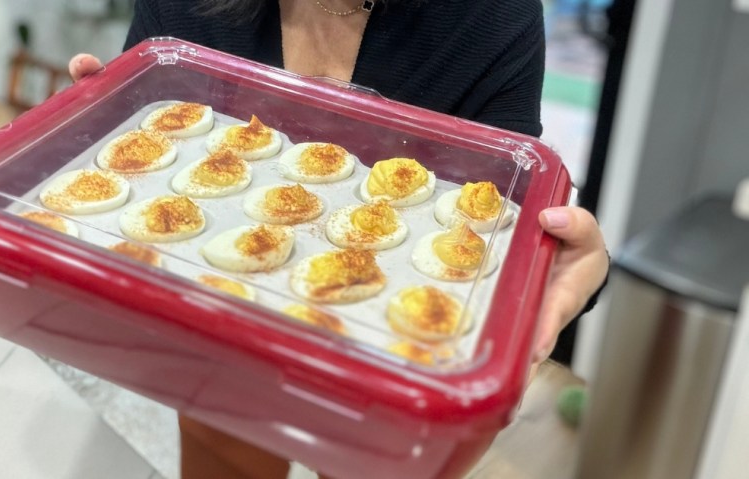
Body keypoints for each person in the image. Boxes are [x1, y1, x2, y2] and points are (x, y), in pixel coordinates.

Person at [69, 1, 610, 477]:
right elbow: (142, 129)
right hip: (219, 335)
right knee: (227, 443)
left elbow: (502, 208)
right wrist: (95, 130)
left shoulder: (490, 16)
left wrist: (548, 269)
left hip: (388, 374)